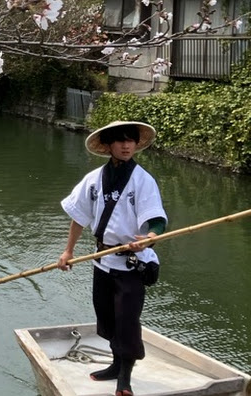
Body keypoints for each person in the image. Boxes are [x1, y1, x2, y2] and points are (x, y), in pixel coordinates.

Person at [57, 121, 167, 396]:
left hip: (132, 262)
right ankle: (115, 365)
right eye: (120, 141)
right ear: (108, 146)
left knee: (127, 319)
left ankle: (125, 378)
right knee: (106, 315)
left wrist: (150, 238)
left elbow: (156, 220)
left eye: (131, 141)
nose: (126, 146)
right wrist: (68, 251)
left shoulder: (143, 180)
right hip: (101, 259)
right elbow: (78, 217)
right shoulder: (94, 179)